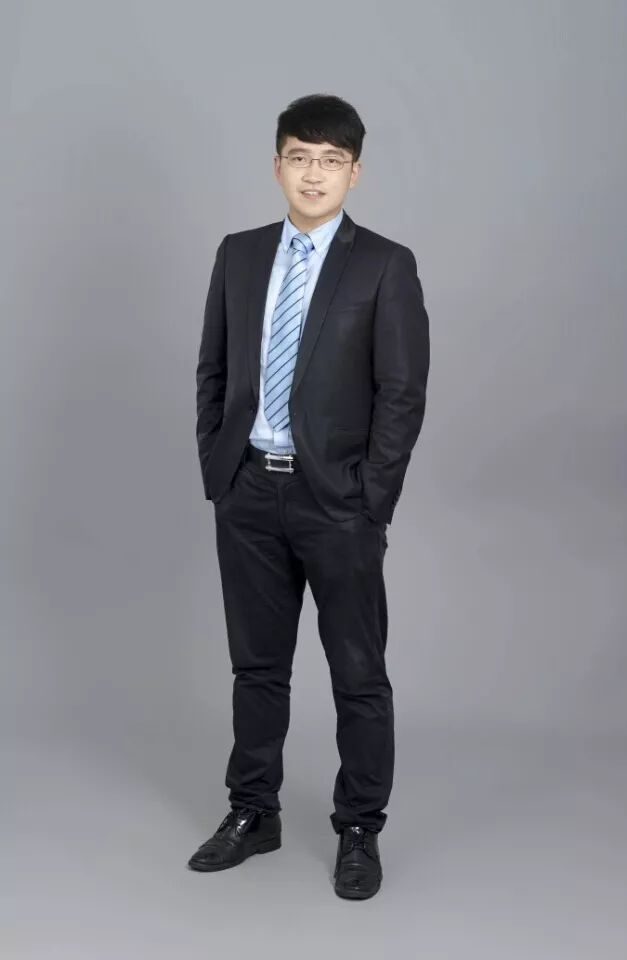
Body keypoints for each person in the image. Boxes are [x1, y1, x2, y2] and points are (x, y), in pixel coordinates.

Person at [188, 93, 430, 900]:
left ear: (354, 173)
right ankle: (252, 812)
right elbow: (213, 369)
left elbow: (402, 393)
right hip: (248, 492)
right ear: (277, 166)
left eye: (331, 161)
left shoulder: (384, 265)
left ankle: (358, 828)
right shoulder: (239, 253)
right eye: (300, 157)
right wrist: (218, 469)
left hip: (339, 504)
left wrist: (371, 498)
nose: (314, 174)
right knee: (257, 667)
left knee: (357, 673)